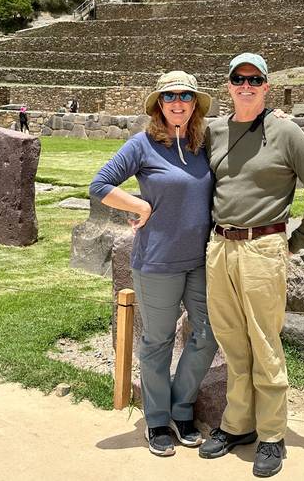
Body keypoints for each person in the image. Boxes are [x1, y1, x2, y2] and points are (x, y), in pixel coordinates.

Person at [199, 53, 304, 478]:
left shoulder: (286, 131)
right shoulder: (215, 132)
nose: (246, 86)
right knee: (232, 341)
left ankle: (273, 434)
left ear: (266, 86)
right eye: (239, 79)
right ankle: (238, 425)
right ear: (228, 85)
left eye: (254, 79)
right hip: (220, 247)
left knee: (263, 339)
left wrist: (297, 241)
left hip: (263, 246)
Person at [89, 71, 218, 458]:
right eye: (169, 97)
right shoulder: (142, 145)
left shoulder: (203, 144)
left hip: (199, 260)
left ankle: (182, 408)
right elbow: (99, 185)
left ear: (195, 104)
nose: (177, 103)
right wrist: (139, 204)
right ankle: (158, 419)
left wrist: (274, 118)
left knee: (208, 333)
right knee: (158, 342)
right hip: (158, 261)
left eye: (185, 96)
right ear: (158, 105)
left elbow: (246, 132)